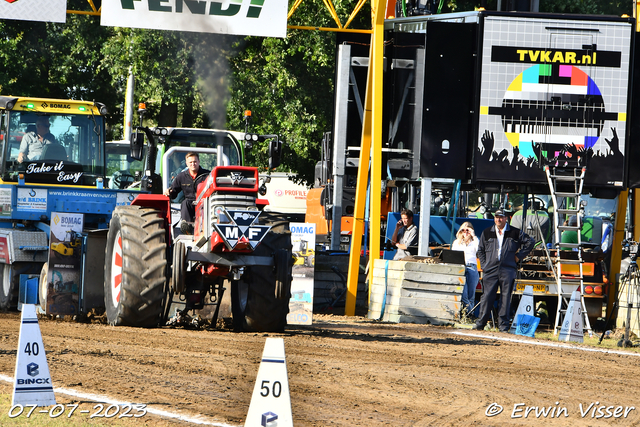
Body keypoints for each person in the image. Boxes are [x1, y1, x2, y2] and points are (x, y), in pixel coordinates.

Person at [473, 209, 534, 332]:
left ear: (506, 218)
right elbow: (480, 250)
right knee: (487, 297)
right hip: (490, 270)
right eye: (496, 217)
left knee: (505, 298)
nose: (498, 220)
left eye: (501, 217)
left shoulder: (515, 232)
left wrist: (518, 256)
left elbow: (530, 242)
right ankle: (481, 324)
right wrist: (484, 265)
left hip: (508, 269)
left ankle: (503, 326)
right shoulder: (487, 232)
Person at [164, 152, 210, 234]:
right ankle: (187, 226)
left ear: (199, 161)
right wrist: (169, 192)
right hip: (190, 203)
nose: (193, 164)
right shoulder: (181, 176)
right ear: (186, 163)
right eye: (190, 162)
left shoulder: (207, 175)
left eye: (195, 162)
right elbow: (174, 192)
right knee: (185, 203)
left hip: (204, 203)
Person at [452, 222, 479, 318]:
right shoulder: (457, 242)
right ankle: (469, 313)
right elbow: (452, 256)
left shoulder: (474, 242)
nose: (465, 232)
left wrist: (473, 235)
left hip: (471, 267)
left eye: (467, 230)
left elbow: (479, 250)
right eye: (463, 230)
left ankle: (469, 315)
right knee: (464, 294)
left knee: (471, 294)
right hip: (461, 268)